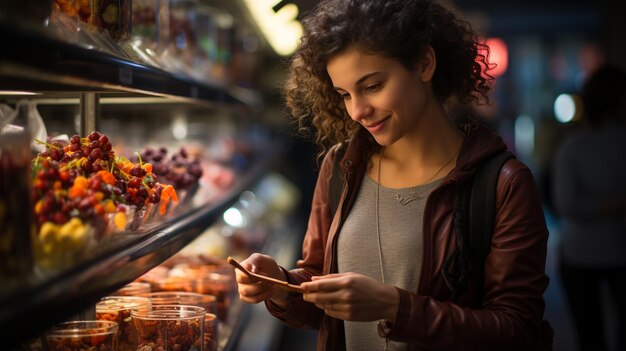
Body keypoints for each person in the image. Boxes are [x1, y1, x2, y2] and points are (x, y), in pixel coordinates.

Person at [234, 0, 551, 349]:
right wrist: (280, 285)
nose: (358, 111)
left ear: (424, 64)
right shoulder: (341, 167)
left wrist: (395, 307)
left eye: (372, 86)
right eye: (344, 95)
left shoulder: (503, 184)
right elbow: (320, 293)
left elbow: (517, 328)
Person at [551, 64, 626, 351]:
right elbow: (566, 202)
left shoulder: (572, 147)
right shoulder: (601, 143)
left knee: (589, 336)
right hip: (609, 250)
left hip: (578, 254)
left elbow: (565, 203)